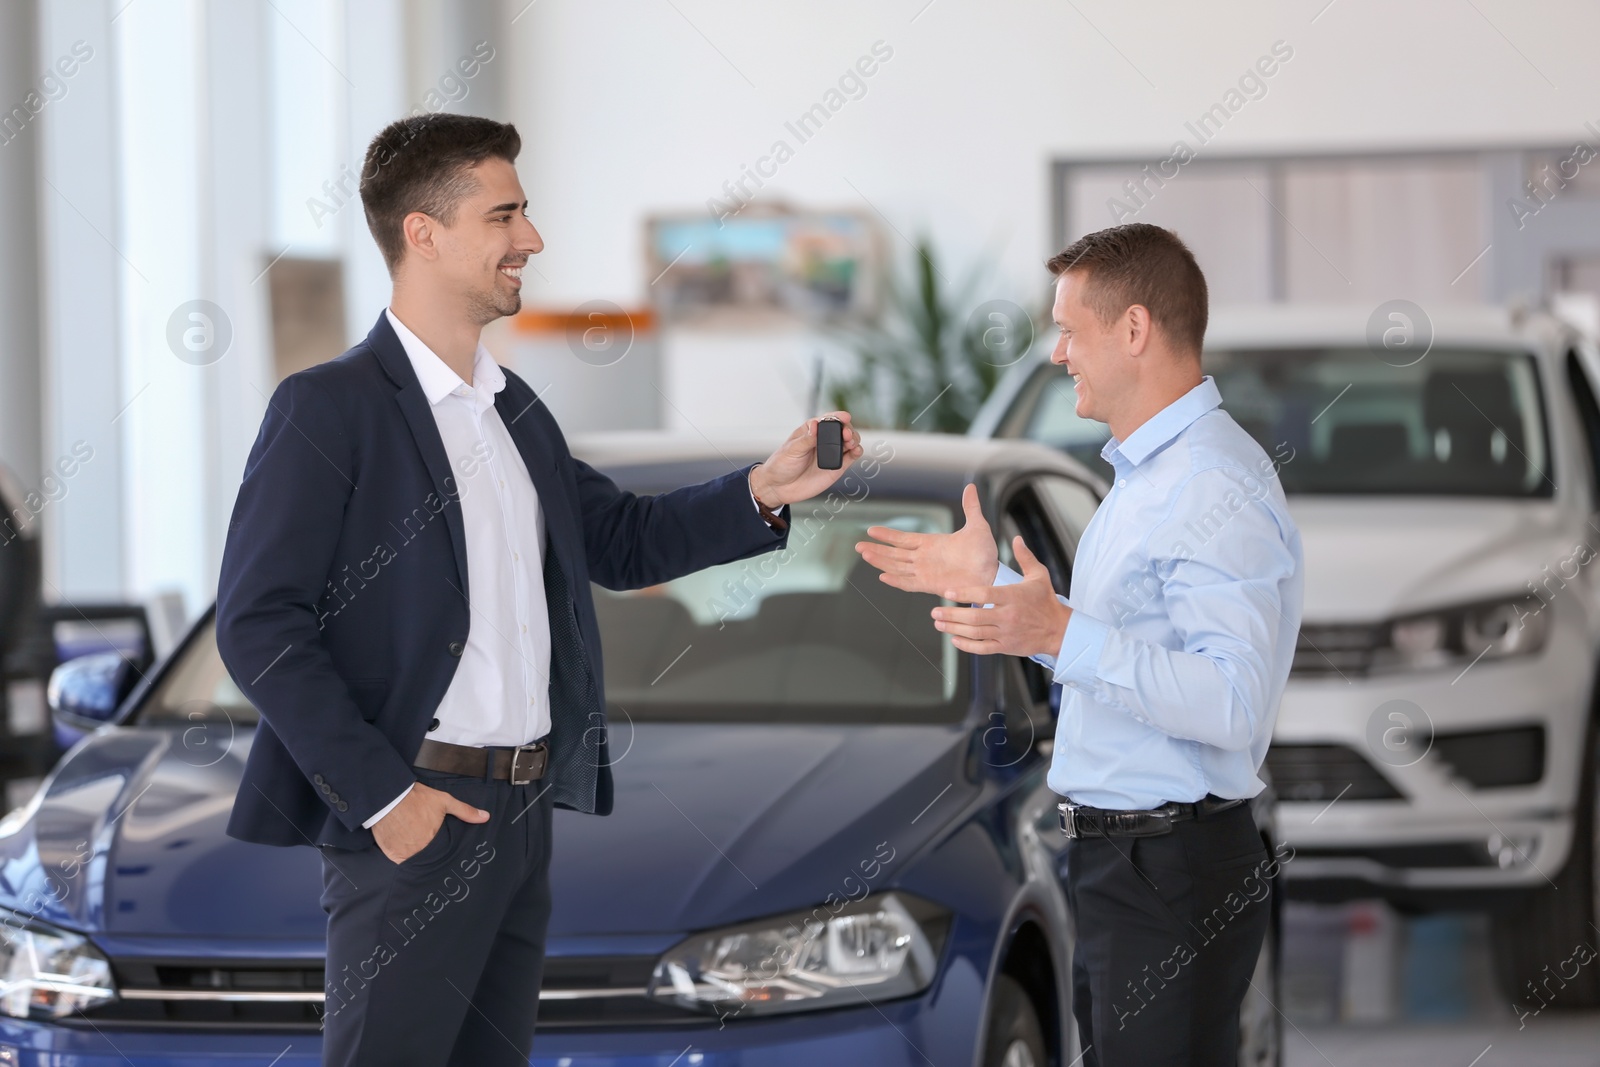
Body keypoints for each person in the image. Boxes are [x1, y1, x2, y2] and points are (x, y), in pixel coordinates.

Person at [215, 113, 862, 1067]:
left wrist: (761, 491)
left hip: (518, 817)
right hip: (418, 809)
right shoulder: (330, 408)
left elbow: (619, 538)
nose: (532, 239)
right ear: (423, 233)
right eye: (504, 215)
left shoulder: (512, 408)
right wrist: (387, 798)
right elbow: (257, 622)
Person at [856, 223, 1303, 1066]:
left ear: (1133, 330)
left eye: (1069, 329)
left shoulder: (1211, 482)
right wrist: (1002, 595)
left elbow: (1231, 701)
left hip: (1170, 866)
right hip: (1132, 865)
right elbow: (1121, 650)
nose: (1058, 352)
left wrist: (1061, 630)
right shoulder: (1144, 477)